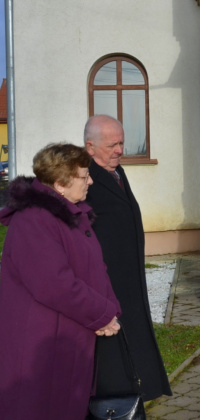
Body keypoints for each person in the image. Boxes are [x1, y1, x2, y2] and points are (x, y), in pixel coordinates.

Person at [0, 144, 121, 419]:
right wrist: (101, 314)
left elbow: (94, 269)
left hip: (67, 333)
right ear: (60, 184)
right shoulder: (34, 220)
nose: (90, 181)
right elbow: (54, 283)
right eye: (83, 176)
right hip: (41, 341)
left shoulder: (70, 215)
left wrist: (110, 309)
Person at [85, 115, 172, 401]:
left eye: (121, 143)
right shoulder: (84, 180)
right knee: (115, 339)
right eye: (112, 145)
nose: (119, 150)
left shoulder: (116, 172)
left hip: (129, 271)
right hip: (107, 276)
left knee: (136, 327)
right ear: (90, 147)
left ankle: (146, 386)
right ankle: (120, 396)